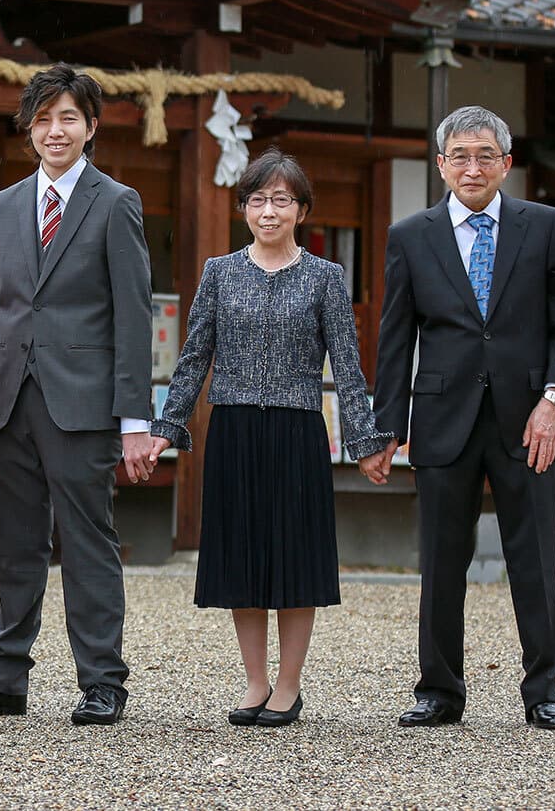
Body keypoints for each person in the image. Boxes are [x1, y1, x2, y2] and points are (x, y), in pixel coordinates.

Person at [0, 65, 164, 727]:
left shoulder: (116, 201)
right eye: (43, 119)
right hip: (8, 399)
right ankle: (3, 678)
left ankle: (103, 681)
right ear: (29, 129)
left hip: (83, 402)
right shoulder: (5, 204)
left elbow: (133, 314)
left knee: (87, 540)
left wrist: (134, 420)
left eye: (68, 117)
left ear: (90, 127)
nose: (54, 130)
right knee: (18, 541)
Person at [362, 105, 555, 732]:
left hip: (528, 418)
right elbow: (396, 336)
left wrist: (553, 399)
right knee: (440, 559)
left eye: (486, 155)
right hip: (443, 416)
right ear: (440, 165)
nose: (473, 166)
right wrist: (386, 428)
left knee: (534, 557)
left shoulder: (544, 227)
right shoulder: (411, 235)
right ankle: (438, 690)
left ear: (506, 164)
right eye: (459, 155)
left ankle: (543, 689)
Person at [151, 148, 391, 728]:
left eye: (281, 199)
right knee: (241, 556)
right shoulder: (219, 272)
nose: (268, 210)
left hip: (297, 430)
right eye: (257, 199)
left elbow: (348, 366)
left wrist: (364, 442)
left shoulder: (325, 278)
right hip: (232, 428)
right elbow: (193, 357)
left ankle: (289, 685)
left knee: (294, 556)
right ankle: (255, 681)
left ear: (301, 210)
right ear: (243, 208)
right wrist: (166, 427)